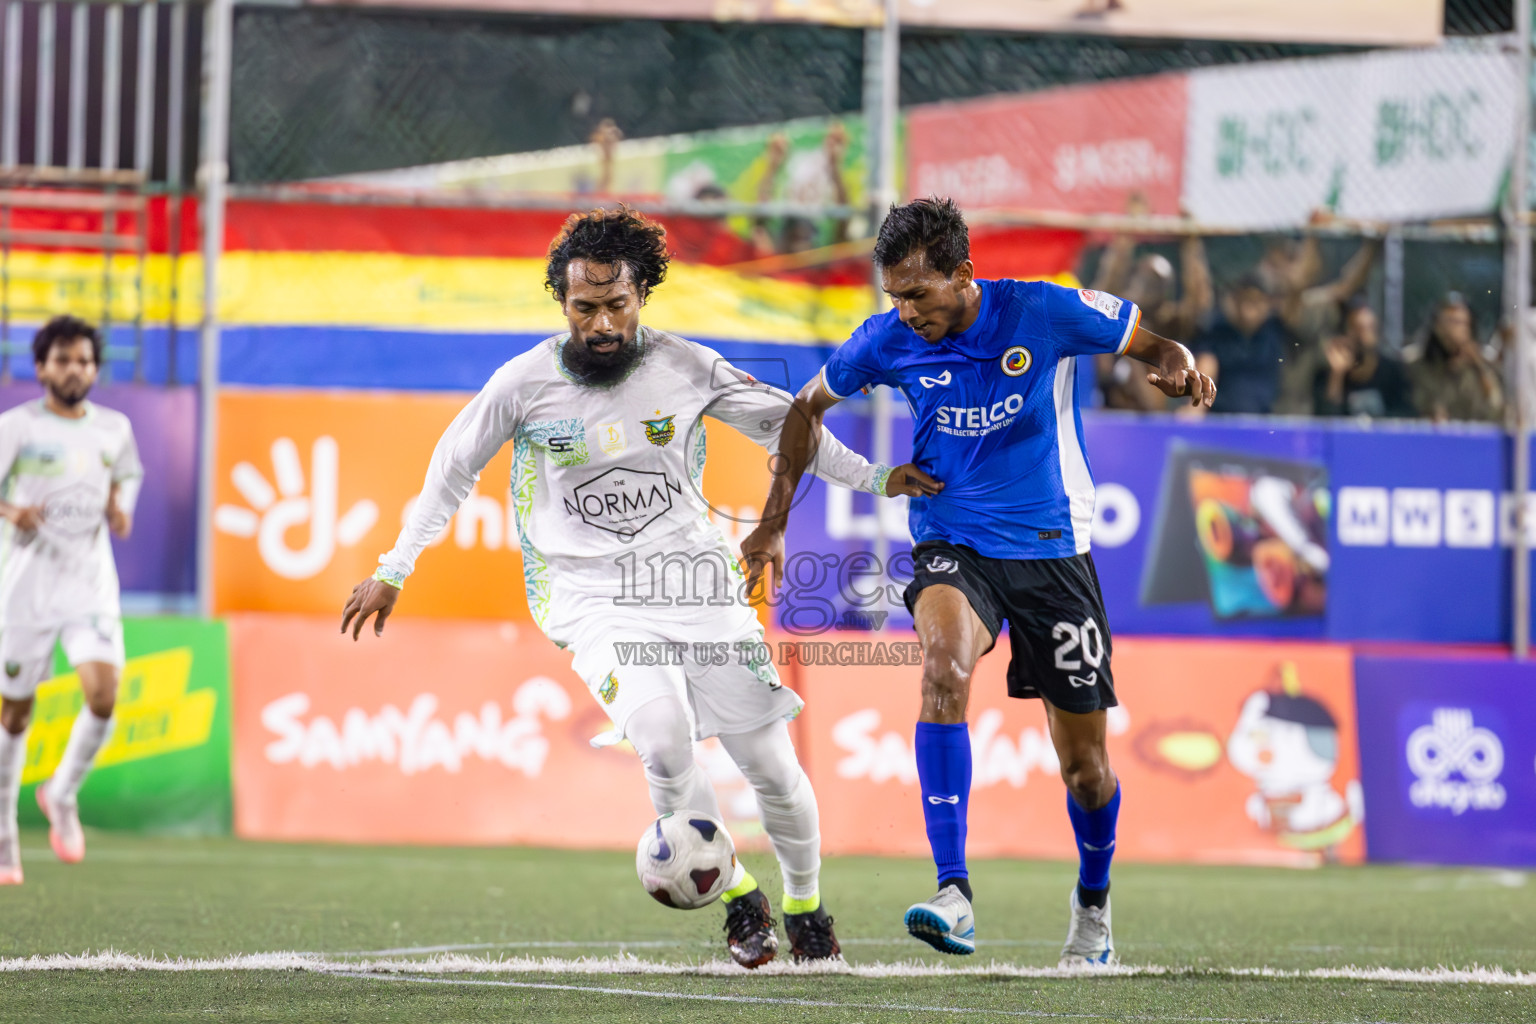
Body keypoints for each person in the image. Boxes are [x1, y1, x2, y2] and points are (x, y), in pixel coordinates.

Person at [339, 206, 937, 968]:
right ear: (562, 302)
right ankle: (738, 898)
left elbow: (787, 424)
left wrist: (878, 478)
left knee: (771, 767)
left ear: (640, 295)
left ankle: (805, 906)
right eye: (584, 307)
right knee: (660, 739)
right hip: (589, 597)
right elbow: (450, 473)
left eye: (615, 305)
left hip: (695, 581)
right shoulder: (521, 385)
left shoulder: (685, 366)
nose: (601, 324)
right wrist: (395, 567)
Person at [741, 197, 1215, 967]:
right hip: (951, 540)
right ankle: (953, 892)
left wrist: (1176, 366)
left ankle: (1092, 907)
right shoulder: (888, 340)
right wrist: (773, 519)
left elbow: (1153, 344)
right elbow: (804, 408)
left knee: (1086, 771)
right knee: (942, 667)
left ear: (964, 275)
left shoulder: (1043, 310)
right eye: (894, 295)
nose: (906, 311)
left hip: (1054, 552)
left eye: (918, 293)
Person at [0, 315, 141, 885]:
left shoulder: (115, 428)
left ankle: (61, 793)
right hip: (26, 584)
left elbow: (127, 475)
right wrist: (14, 512)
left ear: (94, 368)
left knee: (104, 695)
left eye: (83, 360)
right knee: (15, 711)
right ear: (41, 368)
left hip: (89, 582)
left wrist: (120, 505)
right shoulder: (18, 428)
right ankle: (5, 831)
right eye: (62, 359)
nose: (74, 369)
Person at [1090, 198, 1212, 411]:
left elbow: (1198, 303)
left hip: (1152, 407)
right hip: (1110, 404)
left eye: (1154, 282)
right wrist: (1126, 235)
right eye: (1142, 277)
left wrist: (1191, 245)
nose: (1145, 286)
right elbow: (1102, 292)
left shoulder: (1168, 319)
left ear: (1165, 289)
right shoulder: (1121, 311)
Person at [1191, 274, 1287, 416]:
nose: (1249, 308)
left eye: (1257, 301)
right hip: (1221, 420)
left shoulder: (1275, 330)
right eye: (1245, 299)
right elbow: (1206, 365)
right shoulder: (1217, 331)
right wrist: (1196, 406)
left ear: (1268, 304)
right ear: (1235, 301)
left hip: (1265, 421)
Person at [1404, 293, 1503, 424]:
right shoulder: (1417, 363)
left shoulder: (1480, 364)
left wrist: (1478, 365)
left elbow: (1495, 407)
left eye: (1464, 323)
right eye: (1453, 322)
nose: (1460, 329)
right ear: (1438, 326)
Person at [1312, 298, 1412, 419]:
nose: (1364, 338)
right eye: (1358, 330)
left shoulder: (1393, 370)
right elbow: (1326, 419)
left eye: (1371, 328)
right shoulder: (1326, 375)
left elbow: (1406, 414)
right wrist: (1337, 375)